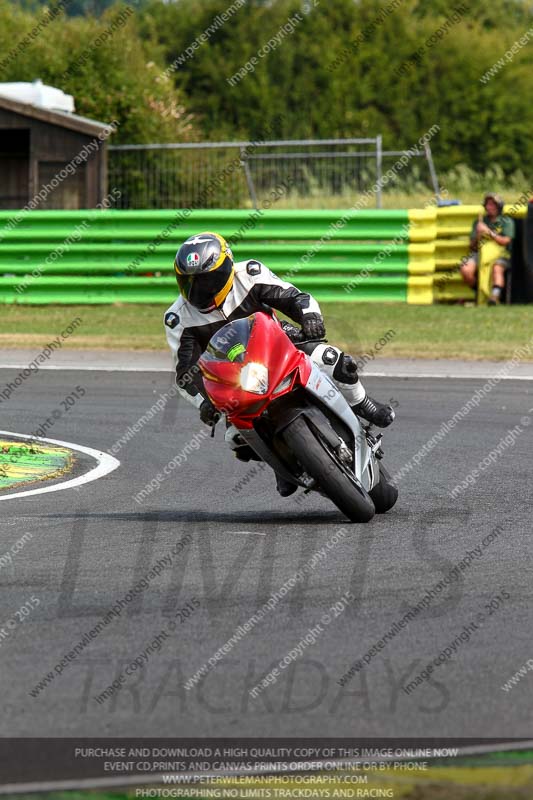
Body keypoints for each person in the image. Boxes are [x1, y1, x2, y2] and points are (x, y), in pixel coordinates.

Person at [164, 232, 395, 496]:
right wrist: (204, 403)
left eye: (208, 281)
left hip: (279, 346)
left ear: (227, 269)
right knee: (236, 439)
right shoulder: (177, 317)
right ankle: (282, 463)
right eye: (190, 283)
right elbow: (186, 375)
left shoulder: (249, 274)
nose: (200, 291)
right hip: (234, 377)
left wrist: (309, 317)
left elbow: (296, 297)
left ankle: (363, 404)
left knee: (335, 361)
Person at [460, 193, 515, 305]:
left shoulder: (506, 221)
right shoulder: (479, 222)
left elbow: (505, 241)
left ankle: (494, 296)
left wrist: (489, 232)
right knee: (465, 269)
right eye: (488, 205)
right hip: (480, 252)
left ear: (499, 206)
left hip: (501, 254)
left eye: (493, 205)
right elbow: (472, 246)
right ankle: (480, 292)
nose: (490, 207)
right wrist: (478, 236)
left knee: (497, 269)